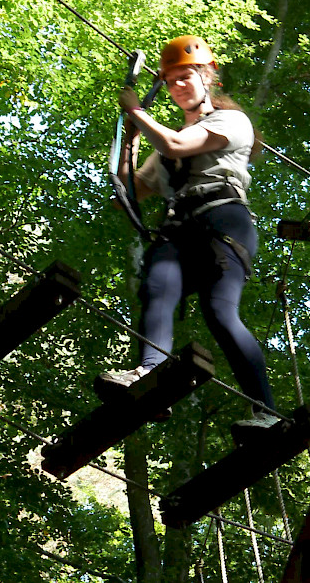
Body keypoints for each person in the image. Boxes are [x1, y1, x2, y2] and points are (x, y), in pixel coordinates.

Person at [97, 35, 276, 440]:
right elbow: (129, 192)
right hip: (180, 229)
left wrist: (137, 111)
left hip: (222, 222)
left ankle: (266, 411)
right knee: (157, 282)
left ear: (207, 77)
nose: (178, 85)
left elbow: (176, 144)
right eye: (171, 80)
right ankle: (151, 372)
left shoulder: (230, 122)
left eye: (186, 77)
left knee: (219, 312)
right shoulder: (164, 148)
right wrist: (131, 139)